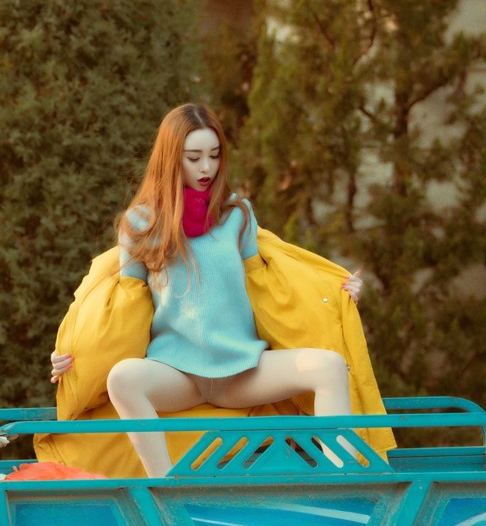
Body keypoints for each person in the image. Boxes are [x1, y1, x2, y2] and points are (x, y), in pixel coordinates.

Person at [51, 103, 364, 477]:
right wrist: (74, 354)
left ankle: (345, 484)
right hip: (176, 372)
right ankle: (166, 489)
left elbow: (276, 286)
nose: (206, 168)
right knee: (122, 377)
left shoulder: (237, 216)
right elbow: (117, 307)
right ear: (170, 158)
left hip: (242, 370)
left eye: (214, 156)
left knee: (328, 367)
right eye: (194, 157)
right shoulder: (139, 224)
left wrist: (336, 293)